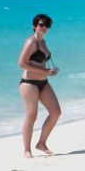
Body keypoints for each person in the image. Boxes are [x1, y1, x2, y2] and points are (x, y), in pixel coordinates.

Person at [17, 13, 61, 158]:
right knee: (32, 116)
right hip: (29, 83)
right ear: (34, 26)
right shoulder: (31, 42)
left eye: (47, 26)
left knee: (55, 112)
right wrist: (45, 71)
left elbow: (42, 62)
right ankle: (27, 150)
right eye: (42, 25)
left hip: (43, 82)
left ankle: (41, 143)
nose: (45, 28)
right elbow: (22, 64)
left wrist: (50, 72)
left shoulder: (43, 42)